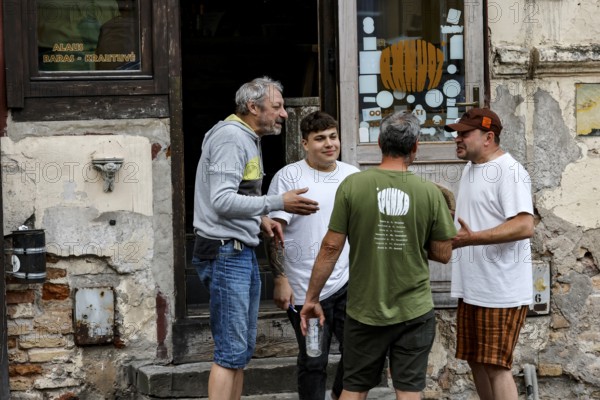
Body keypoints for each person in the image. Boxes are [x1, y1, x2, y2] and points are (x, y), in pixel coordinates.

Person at [300, 111, 457, 400]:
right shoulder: (430, 193)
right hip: (414, 311)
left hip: (364, 311)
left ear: (379, 144)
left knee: (354, 388)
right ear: (415, 147)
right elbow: (443, 254)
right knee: (409, 390)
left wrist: (311, 299)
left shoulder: (353, 185)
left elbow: (331, 248)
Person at [192, 76, 320, 400]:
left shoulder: (246, 138)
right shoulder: (231, 138)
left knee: (241, 351)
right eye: (277, 107)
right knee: (230, 352)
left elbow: (232, 196)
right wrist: (277, 203)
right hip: (225, 252)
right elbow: (220, 200)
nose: (285, 114)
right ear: (253, 106)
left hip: (238, 250)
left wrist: (260, 218)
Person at [266, 111, 360, 400]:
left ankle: (339, 395)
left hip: (346, 283)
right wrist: (280, 278)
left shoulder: (352, 176)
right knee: (313, 360)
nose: (329, 144)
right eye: (320, 139)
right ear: (305, 143)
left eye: (333, 137)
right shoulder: (289, 177)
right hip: (305, 288)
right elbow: (273, 232)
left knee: (357, 354)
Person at [444, 108, 534, 400]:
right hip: (474, 288)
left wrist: (473, 239)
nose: (458, 139)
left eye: (464, 133)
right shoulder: (472, 168)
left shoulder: (509, 171)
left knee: (497, 366)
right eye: (457, 133)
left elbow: (524, 224)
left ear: (488, 137)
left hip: (501, 289)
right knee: (476, 360)